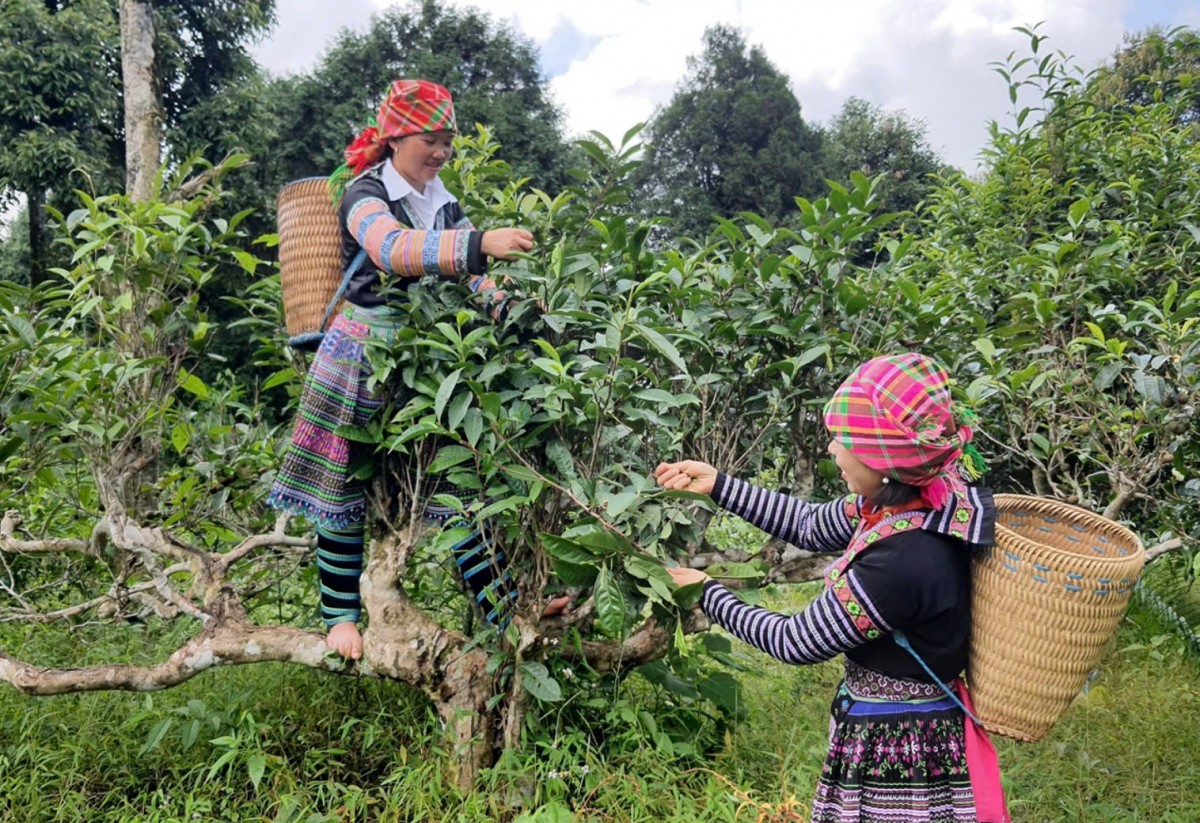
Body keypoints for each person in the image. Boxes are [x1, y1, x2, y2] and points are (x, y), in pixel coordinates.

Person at [267, 79, 565, 661]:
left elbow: (472, 277)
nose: (441, 152)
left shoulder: (442, 199)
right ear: (396, 137)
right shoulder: (364, 193)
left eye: (447, 142)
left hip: (423, 359)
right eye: (431, 140)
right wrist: (481, 242)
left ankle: (506, 609)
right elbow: (392, 250)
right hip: (358, 356)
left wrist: (513, 306)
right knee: (341, 486)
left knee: (458, 485)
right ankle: (339, 619)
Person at [657, 352, 1010, 823]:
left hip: (899, 747)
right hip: (902, 727)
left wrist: (708, 592)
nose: (831, 450)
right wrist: (719, 484)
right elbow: (806, 523)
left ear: (882, 453)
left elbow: (796, 641)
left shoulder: (904, 560)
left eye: (844, 440)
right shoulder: (922, 498)